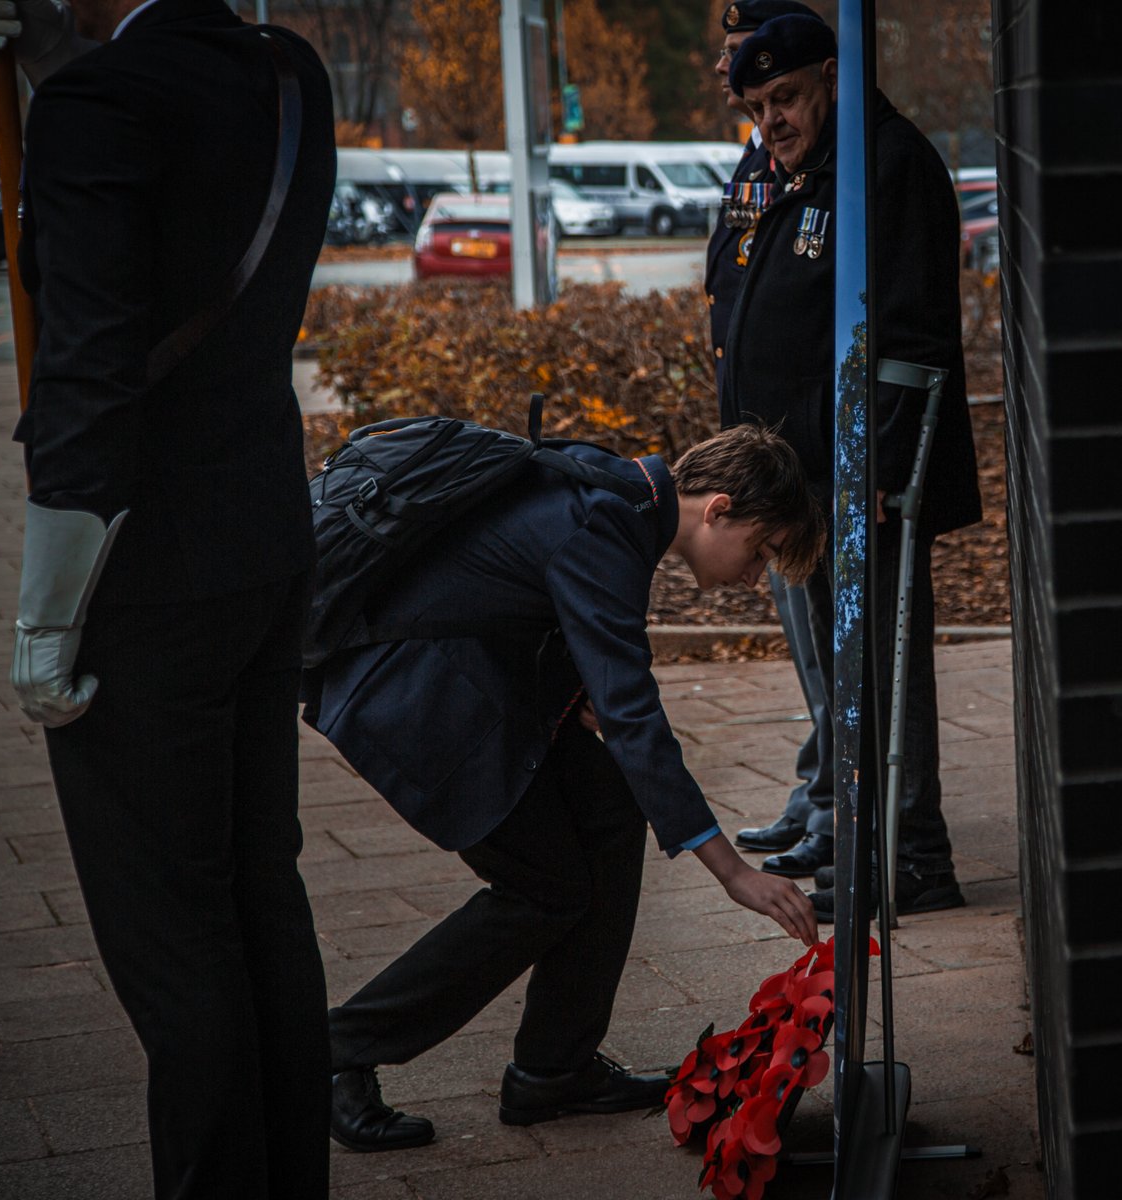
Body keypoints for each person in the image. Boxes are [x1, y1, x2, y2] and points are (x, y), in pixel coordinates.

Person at [0, 0, 337, 1195]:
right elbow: (180, 131)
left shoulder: (95, 108)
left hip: (142, 570)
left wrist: (43, 615)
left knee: (175, 944)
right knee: (259, 893)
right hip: (265, 535)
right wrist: (46, 62)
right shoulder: (289, 77)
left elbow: (87, 368)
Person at [300, 426, 826, 1151]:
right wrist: (731, 872)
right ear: (719, 509)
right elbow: (634, 715)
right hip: (410, 696)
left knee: (611, 809)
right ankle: (334, 1052)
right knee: (541, 888)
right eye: (762, 550)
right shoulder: (605, 524)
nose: (752, 576)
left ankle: (555, 1069)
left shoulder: (615, 496)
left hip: (468, 683)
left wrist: (583, 691)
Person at [722, 16, 983, 918]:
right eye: (758, 107)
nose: (773, 121)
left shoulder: (885, 163)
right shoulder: (808, 168)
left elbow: (912, 333)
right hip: (804, 479)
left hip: (861, 477)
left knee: (878, 658)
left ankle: (911, 853)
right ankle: (860, 832)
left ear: (832, 76)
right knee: (841, 668)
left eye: (786, 97)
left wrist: (880, 463)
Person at [703, 0, 837, 883]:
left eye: (754, 63)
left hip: (816, 461)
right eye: (733, 62)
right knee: (806, 637)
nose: (734, 70)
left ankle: (841, 803)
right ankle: (822, 786)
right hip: (772, 458)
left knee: (834, 640)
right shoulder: (767, 155)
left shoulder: (844, 168)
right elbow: (733, 273)